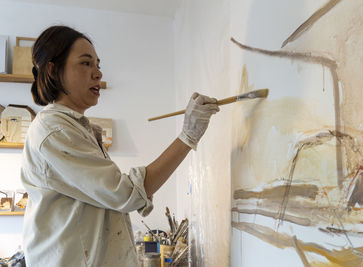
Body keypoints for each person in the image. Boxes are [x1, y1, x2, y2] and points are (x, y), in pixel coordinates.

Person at [21, 25, 219, 267]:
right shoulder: (54, 130)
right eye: (86, 63)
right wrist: (188, 136)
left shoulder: (72, 126)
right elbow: (125, 193)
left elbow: (116, 196)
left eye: (98, 65)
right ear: (53, 70)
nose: (97, 74)